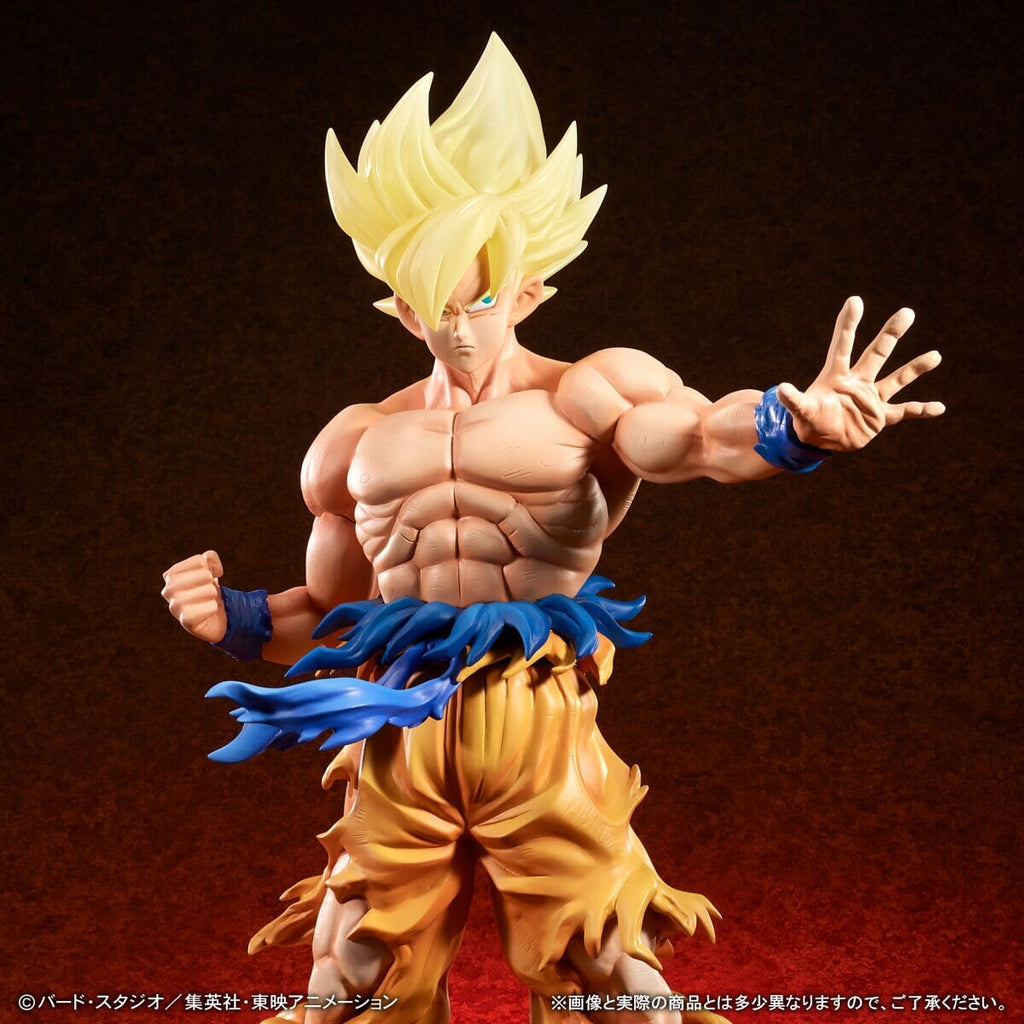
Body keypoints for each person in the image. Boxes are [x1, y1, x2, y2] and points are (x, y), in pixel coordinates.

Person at [161, 34, 943, 1024]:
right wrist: (231, 619)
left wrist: (793, 427)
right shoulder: (353, 443)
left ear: (528, 290)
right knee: (352, 986)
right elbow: (326, 615)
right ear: (400, 308)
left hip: (534, 713)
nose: (459, 325)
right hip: (395, 725)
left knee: (610, 979)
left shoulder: (586, 393)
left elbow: (694, 437)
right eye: (434, 302)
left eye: (482, 296)